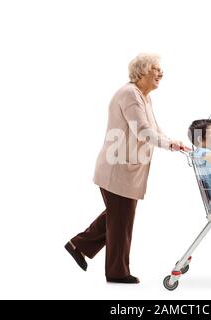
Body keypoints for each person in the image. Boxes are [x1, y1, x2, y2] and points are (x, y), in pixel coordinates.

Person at [65, 53, 189, 284]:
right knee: (121, 221)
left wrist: (172, 142)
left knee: (117, 216)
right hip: (117, 169)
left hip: (127, 170)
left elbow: (154, 129)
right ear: (142, 71)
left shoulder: (143, 97)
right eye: (156, 69)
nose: (161, 73)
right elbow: (142, 131)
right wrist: (168, 144)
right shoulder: (130, 95)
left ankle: (78, 245)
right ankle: (117, 273)